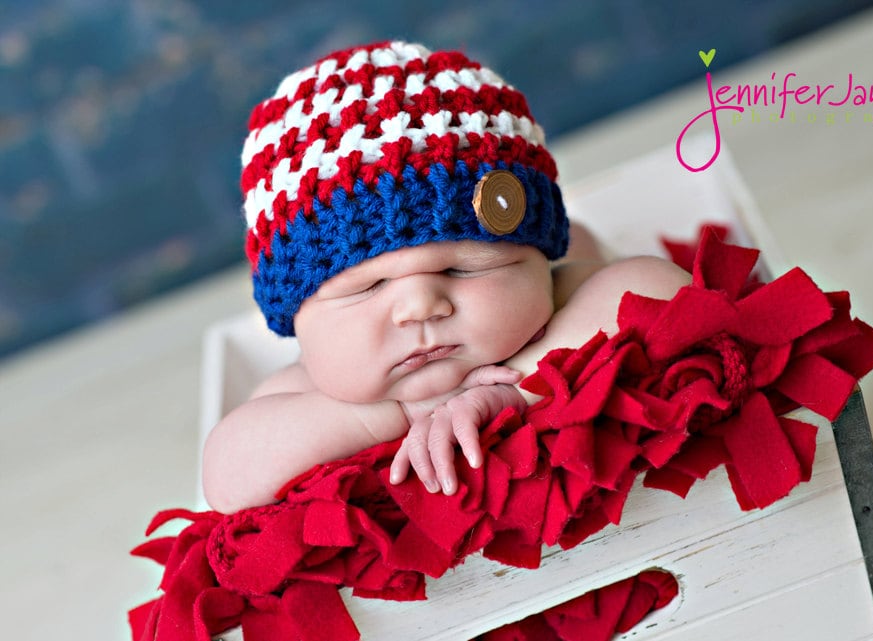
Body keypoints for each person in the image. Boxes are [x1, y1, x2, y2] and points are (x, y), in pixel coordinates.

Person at [202, 41, 690, 514]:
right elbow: (226, 476)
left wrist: (512, 388)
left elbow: (664, 289)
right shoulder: (308, 388)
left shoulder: (559, 296)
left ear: (538, 258)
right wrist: (397, 415)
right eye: (368, 287)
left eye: (461, 267)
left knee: (587, 247)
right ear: (296, 317)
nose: (421, 306)